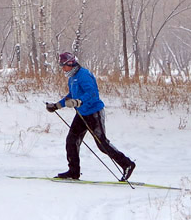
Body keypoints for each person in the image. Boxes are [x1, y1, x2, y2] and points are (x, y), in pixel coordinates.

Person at [45, 52, 136, 181]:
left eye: (63, 65)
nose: (62, 68)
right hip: (81, 113)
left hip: (94, 113)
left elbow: (92, 93)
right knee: (71, 141)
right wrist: (57, 106)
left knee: (102, 144)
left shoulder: (84, 75)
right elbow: (71, 95)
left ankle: (127, 164)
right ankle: (73, 172)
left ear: (70, 63)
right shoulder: (72, 78)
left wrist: (78, 102)